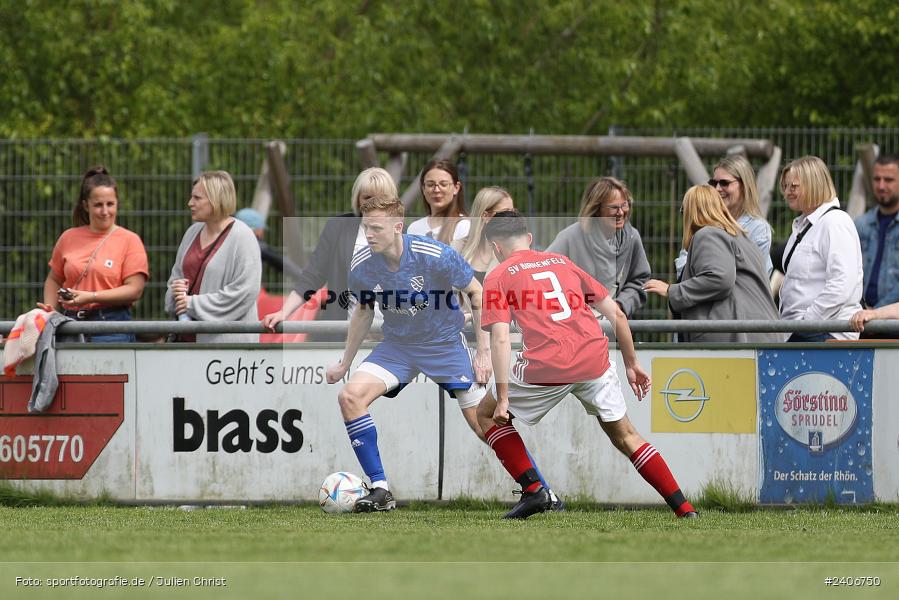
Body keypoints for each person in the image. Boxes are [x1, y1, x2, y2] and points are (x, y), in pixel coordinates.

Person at [478, 210, 697, 519]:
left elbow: (500, 340)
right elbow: (617, 314)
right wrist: (632, 364)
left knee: (485, 414)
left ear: (495, 247)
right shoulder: (562, 263)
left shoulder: (498, 275)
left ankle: (533, 491)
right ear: (529, 239)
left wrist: (502, 398)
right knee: (627, 435)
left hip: (548, 364)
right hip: (595, 359)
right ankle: (685, 509)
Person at [323, 194, 521, 513]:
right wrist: (344, 362)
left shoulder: (433, 254)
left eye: (376, 228)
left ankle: (537, 488)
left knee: (482, 423)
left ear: (398, 227)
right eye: (366, 227)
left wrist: (483, 351)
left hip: (443, 343)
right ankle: (380, 490)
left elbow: (476, 291)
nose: (369, 234)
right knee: (350, 397)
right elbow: (362, 311)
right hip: (398, 348)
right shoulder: (362, 264)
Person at [261, 167, 397, 337]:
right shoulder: (338, 228)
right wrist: (284, 312)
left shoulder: (403, 233)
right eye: (367, 197)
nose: (374, 204)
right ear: (358, 199)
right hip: (346, 333)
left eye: (381, 198)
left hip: (392, 337)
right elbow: (313, 275)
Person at [643, 185, 781, 343]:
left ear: (691, 212)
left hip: (735, 340)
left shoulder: (708, 234)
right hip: (762, 334)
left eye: (683, 210)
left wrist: (672, 290)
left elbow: (720, 278)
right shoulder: (744, 240)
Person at [39, 165, 148, 343]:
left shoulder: (130, 240)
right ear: (85, 205)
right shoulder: (68, 237)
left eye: (110, 204)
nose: (105, 212)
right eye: (98, 205)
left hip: (111, 327)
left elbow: (134, 290)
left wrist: (91, 297)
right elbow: (54, 279)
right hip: (69, 325)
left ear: (117, 203)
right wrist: (50, 308)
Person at [165, 171, 261, 343]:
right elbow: (176, 277)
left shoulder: (243, 236)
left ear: (215, 199)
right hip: (185, 341)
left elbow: (244, 292)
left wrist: (192, 304)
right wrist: (175, 291)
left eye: (197, 198)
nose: (190, 203)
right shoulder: (192, 233)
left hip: (226, 353)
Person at [779, 156, 863, 342]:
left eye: (793, 186)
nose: (787, 192)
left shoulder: (835, 222)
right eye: (785, 187)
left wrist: (808, 322)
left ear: (814, 184)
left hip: (824, 334)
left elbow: (841, 283)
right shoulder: (804, 224)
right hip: (806, 331)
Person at [547, 176, 650, 317]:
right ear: (597, 209)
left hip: (614, 326)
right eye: (613, 207)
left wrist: (620, 305)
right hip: (576, 326)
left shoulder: (632, 237)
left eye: (624, 205)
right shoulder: (570, 237)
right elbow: (543, 276)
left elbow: (640, 281)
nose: (620, 212)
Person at [676, 156, 774, 279]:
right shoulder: (704, 221)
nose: (717, 188)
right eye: (713, 183)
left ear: (744, 185)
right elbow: (682, 270)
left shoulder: (757, 228)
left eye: (724, 183)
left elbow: (755, 279)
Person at [855, 154, 899, 314]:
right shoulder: (860, 225)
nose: (881, 186)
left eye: (888, 180)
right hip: (859, 319)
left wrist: (877, 313)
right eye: (877, 179)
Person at [453, 186, 515, 283]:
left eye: (513, 212)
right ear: (485, 216)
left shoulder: (514, 252)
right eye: (505, 213)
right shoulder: (456, 249)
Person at [406, 158, 470, 244]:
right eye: (430, 184)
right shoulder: (414, 228)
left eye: (443, 184)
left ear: (456, 188)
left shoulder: (464, 226)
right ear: (423, 188)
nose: (436, 190)